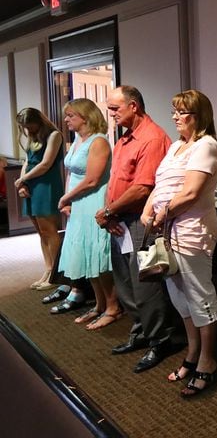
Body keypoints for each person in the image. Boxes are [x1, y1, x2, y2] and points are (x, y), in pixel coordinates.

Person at [141, 89, 217, 398]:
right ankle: (192, 351)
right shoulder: (176, 146)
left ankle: (207, 359)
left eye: (181, 112)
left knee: (200, 297)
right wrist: (150, 209)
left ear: (198, 116)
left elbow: (191, 193)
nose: (175, 117)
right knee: (180, 298)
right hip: (166, 231)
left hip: (191, 232)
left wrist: (163, 213)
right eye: (174, 111)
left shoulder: (206, 145)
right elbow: (161, 184)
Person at [95, 85, 175, 373]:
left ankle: (159, 341)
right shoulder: (124, 139)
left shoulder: (152, 139)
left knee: (145, 287)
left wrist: (108, 211)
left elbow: (143, 189)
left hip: (141, 222)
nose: (111, 113)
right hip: (120, 221)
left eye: (115, 108)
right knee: (125, 283)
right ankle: (140, 333)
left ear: (134, 106)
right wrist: (110, 212)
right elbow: (117, 180)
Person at [56, 98, 122, 329]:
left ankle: (113, 307)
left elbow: (93, 179)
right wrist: (67, 201)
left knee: (97, 255)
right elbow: (72, 173)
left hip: (93, 201)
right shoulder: (76, 141)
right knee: (84, 253)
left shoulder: (99, 142)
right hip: (78, 204)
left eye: (71, 115)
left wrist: (66, 197)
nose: (67, 119)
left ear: (85, 117)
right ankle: (99, 304)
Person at [15, 108, 65, 292]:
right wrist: (21, 184)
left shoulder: (54, 135)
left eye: (29, 126)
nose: (27, 131)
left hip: (46, 185)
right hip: (30, 185)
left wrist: (23, 179)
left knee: (49, 230)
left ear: (38, 121)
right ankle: (48, 269)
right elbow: (27, 162)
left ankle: (56, 274)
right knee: (41, 232)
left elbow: (45, 164)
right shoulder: (32, 136)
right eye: (24, 128)